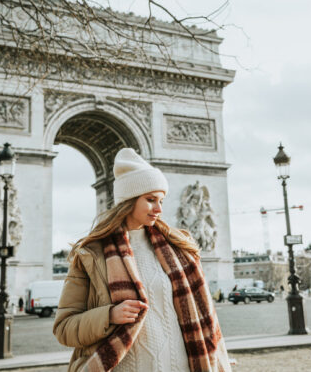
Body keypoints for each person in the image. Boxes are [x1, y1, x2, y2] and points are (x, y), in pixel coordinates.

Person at [53, 148, 231, 372]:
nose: (159, 209)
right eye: (150, 200)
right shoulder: (90, 255)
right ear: (129, 200)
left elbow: (209, 323)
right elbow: (64, 328)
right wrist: (109, 315)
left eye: (161, 201)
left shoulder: (179, 250)